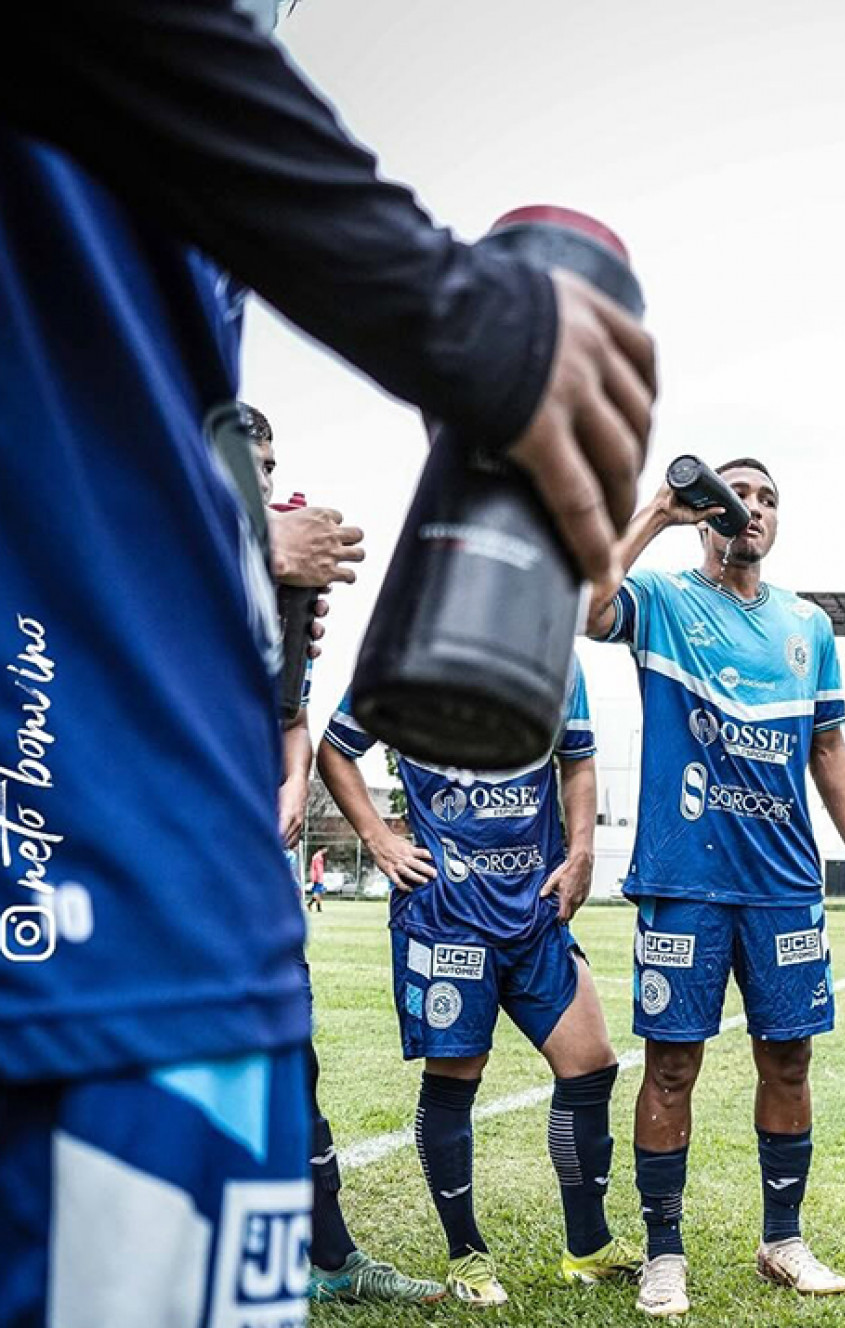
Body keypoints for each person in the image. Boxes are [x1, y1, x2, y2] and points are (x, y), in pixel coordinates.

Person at [0, 4, 654, 1324]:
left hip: (194, 895)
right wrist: (442, 304)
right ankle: (454, 1239)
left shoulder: (147, 193)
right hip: (82, 899)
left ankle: (466, 1239)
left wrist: (247, 559)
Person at [585, 459, 845, 1318]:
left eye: (766, 500)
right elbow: (587, 609)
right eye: (737, 496)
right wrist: (656, 512)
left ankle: (781, 1240)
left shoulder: (806, 626)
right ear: (709, 513)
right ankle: (664, 1253)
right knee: (673, 1065)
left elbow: (828, 749)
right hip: (685, 876)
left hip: (785, 881)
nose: (751, 509)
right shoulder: (666, 600)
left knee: (788, 1058)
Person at [318, 661, 643, 1305]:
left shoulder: (557, 657)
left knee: (590, 1065)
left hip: (537, 907)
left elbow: (577, 761)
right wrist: (378, 838)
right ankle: (466, 1255)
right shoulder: (412, 647)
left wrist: (581, 855)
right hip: (448, 919)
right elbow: (335, 750)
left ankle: (589, 1247)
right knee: (455, 1082)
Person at [247, 404, 443, 1305]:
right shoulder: (142, 553)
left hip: (248, 858)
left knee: (294, 1046)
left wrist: (291, 785)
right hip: (142, 852)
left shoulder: (277, 591)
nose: (261, 484)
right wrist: (250, 542)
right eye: (238, 467)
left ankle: (329, 1257)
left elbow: (292, 713)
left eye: (268, 468)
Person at [306, 846, 327, 913]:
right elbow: (318, 868)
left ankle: (318, 908)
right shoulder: (318, 857)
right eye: (326, 849)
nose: (326, 850)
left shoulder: (316, 856)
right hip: (317, 877)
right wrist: (319, 877)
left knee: (318, 893)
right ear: (322, 849)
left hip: (315, 876)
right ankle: (310, 904)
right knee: (317, 892)